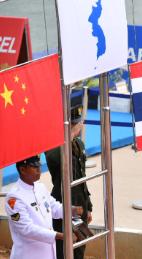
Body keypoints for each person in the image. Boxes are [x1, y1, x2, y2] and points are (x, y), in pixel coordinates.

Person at [4, 155, 82, 259]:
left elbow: (54, 207)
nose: (39, 170)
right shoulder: (14, 198)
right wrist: (59, 235)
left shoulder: (40, 187)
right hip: (28, 255)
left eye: (39, 166)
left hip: (48, 253)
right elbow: (26, 229)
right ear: (22, 169)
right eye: (34, 167)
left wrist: (71, 210)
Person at [45, 104, 93, 259]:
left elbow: (82, 177)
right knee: (64, 250)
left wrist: (88, 205)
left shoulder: (78, 144)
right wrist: (69, 134)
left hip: (80, 204)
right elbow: (55, 161)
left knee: (79, 247)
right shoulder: (54, 145)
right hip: (64, 203)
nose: (79, 126)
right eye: (74, 124)